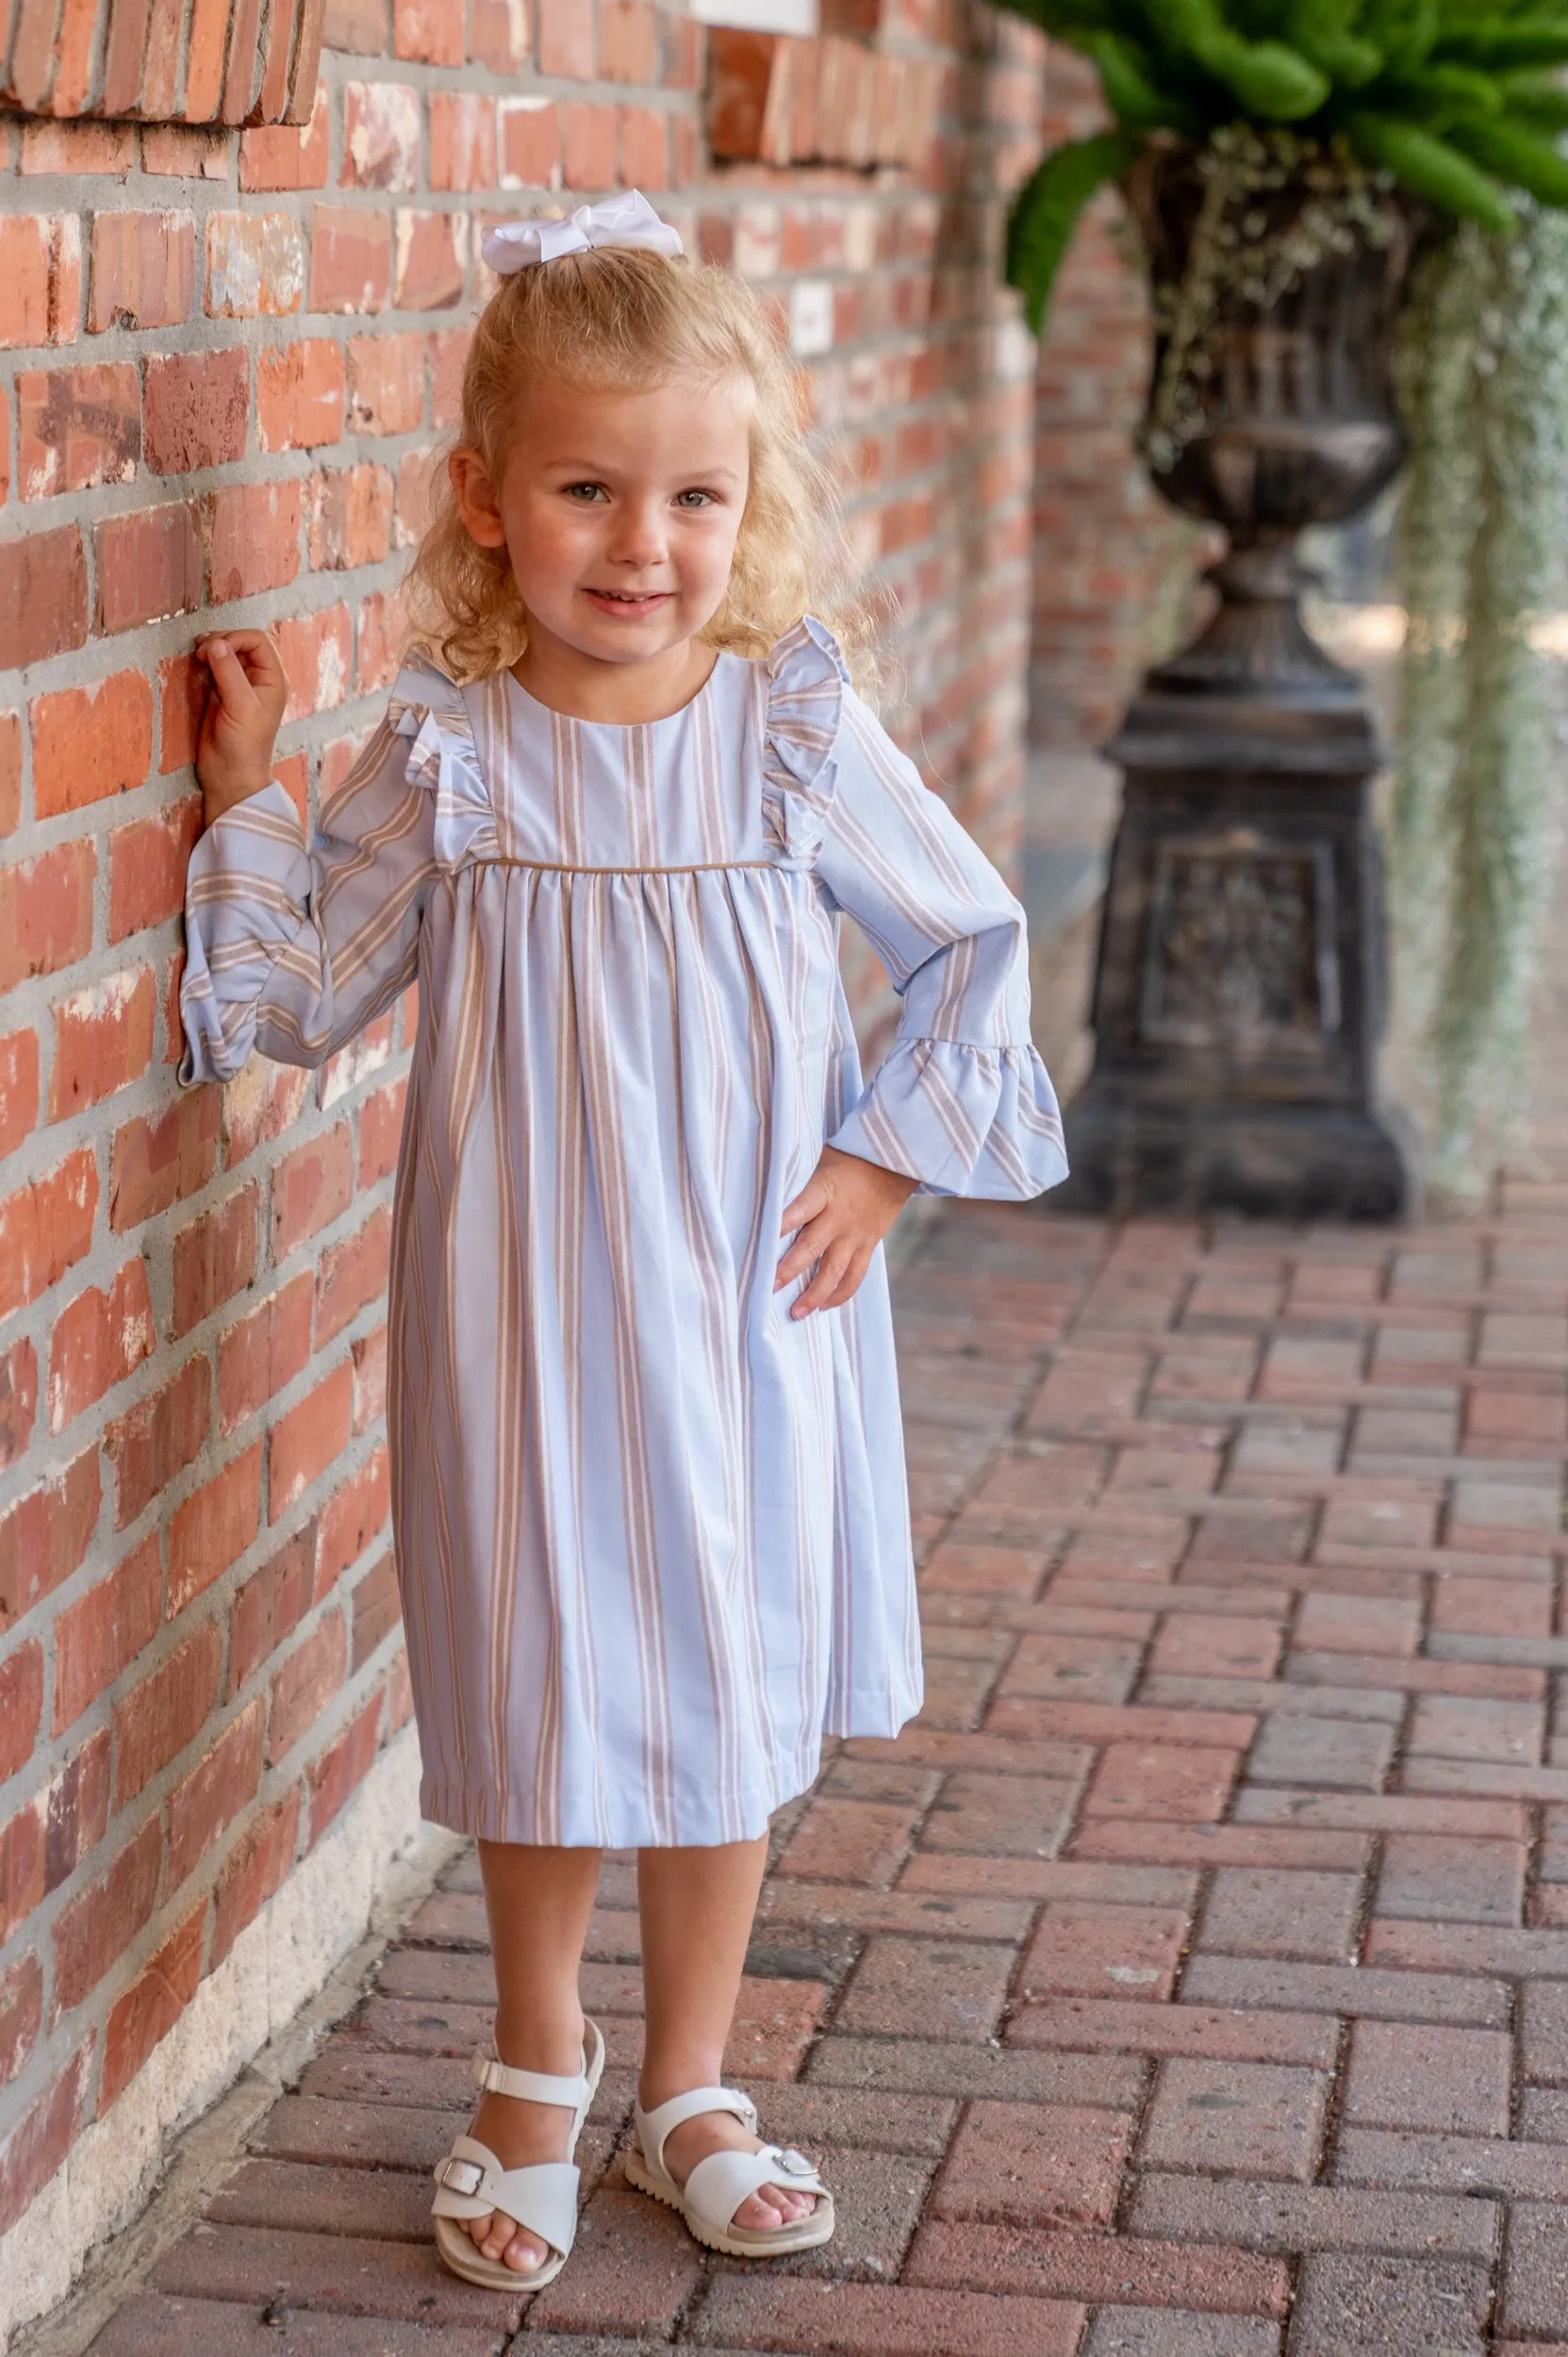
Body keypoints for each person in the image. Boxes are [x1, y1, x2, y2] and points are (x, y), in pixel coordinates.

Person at [176, 189, 1066, 2294]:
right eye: (586, 487)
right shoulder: (455, 754)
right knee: (551, 1669)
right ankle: (525, 2067)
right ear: (486, 499)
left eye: (689, 493)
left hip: (753, 1295)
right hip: (524, 1309)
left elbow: (966, 943)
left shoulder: (787, 731)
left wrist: (877, 1163)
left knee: (729, 1683)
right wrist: (246, 793)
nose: (638, 540)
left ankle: (689, 2080)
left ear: (745, 506)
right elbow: (303, 990)